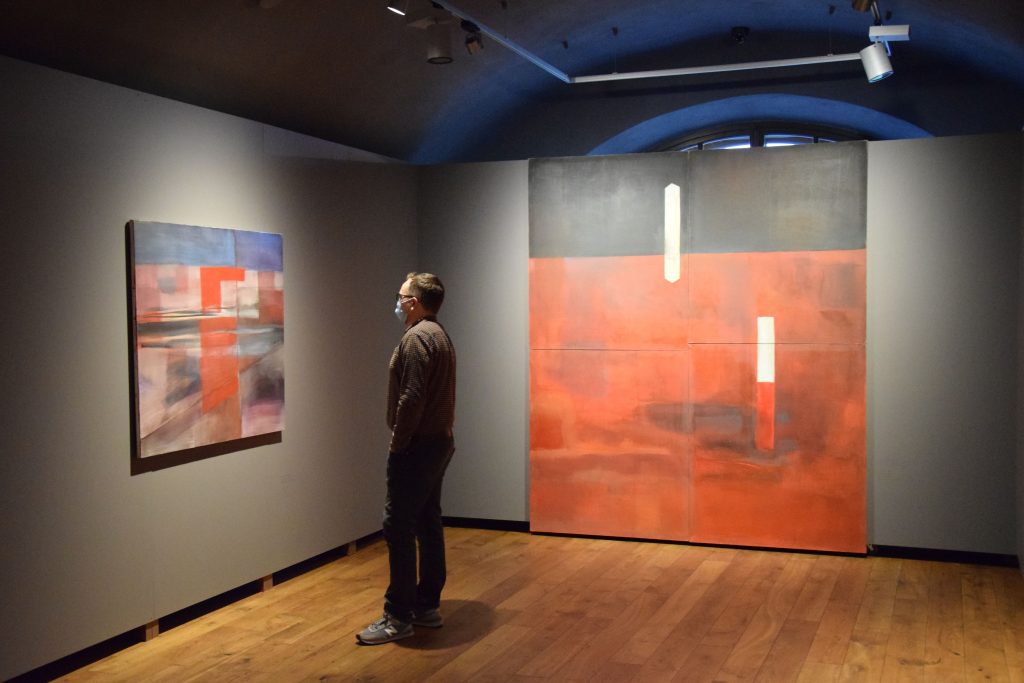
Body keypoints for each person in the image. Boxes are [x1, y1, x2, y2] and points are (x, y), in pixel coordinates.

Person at [357, 272, 457, 645]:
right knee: (428, 521)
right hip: (439, 442)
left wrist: (398, 442)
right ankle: (426, 605)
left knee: (398, 526)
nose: (397, 303)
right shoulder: (439, 335)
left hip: (417, 447)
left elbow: (411, 396)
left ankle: (398, 616)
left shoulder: (416, 339)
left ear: (414, 302)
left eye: (401, 296)